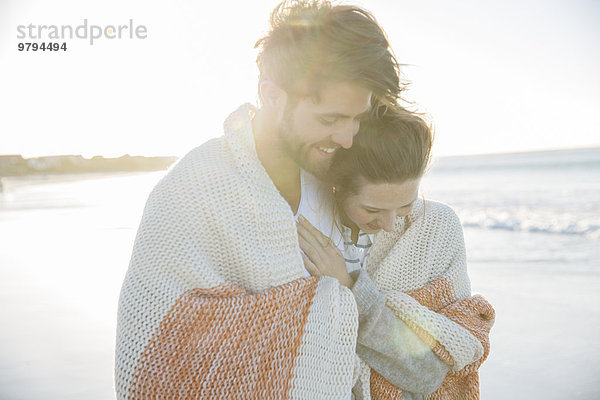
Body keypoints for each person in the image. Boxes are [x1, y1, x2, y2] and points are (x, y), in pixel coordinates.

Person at [114, 1, 402, 399]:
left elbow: (400, 336)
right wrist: (314, 312)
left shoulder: (347, 182)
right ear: (273, 95)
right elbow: (159, 350)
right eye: (330, 119)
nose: (347, 138)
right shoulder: (193, 189)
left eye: (357, 119)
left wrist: (350, 290)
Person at [296, 106, 495, 399]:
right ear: (337, 187)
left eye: (405, 204)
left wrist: (351, 289)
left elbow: (428, 372)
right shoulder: (315, 226)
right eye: (372, 210)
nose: (390, 224)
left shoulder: (436, 227)